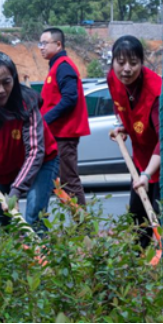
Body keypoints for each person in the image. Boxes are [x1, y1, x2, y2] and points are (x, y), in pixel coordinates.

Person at [0, 52, 59, 232]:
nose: (1, 90)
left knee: (34, 218)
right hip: (1, 164)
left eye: (7, 82)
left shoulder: (26, 102)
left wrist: (15, 192)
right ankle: (8, 259)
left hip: (40, 162)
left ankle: (40, 258)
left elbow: (35, 152)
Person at [107, 36, 162, 249]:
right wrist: (125, 127)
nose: (126, 69)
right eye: (121, 63)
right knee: (138, 217)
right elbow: (121, 106)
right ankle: (139, 264)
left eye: (133, 63)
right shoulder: (113, 79)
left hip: (162, 163)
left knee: (160, 214)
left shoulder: (156, 92)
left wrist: (147, 174)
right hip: (139, 160)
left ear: (142, 62)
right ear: (113, 63)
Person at [39, 28, 91, 206]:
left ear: (58, 44)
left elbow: (70, 99)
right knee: (58, 182)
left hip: (64, 135)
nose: (41, 47)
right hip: (56, 135)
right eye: (40, 44)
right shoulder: (57, 66)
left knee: (69, 181)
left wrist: (44, 120)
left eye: (45, 43)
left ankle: (83, 229)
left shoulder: (63, 66)